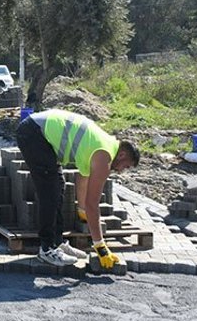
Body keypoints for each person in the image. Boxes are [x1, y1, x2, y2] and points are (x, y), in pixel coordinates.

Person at [15, 109, 139, 267]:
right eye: (125, 166)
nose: (122, 170)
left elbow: (82, 178)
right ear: (122, 155)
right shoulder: (104, 157)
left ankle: (57, 243)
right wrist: (100, 247)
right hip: (34, 133)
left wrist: (81, 210)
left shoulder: (104, 145)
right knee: (50, 190)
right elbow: (92, 205)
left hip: (35, 130)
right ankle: (46, 249)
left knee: (58, 185)